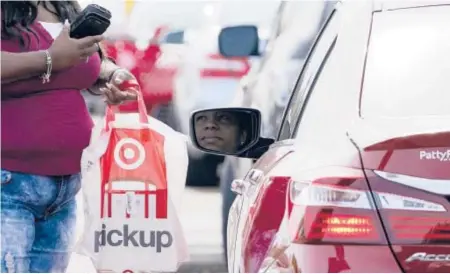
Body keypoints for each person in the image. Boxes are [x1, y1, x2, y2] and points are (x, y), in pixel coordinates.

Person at [1, 1, 139, 272]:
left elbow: (86, 63)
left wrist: (111, 75)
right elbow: (57, 58)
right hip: (9, 184)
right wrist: (50, 58)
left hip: (64, 189)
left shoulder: (61, 5)